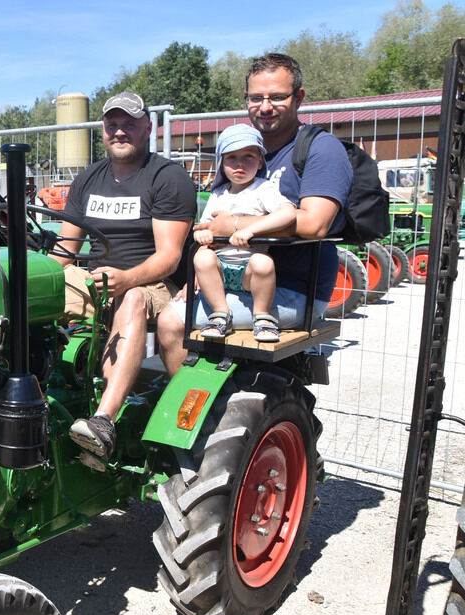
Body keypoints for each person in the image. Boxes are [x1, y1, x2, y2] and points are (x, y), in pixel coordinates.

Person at [157, 53, 353, 375]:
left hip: (292, 290)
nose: (265, 106)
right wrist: (201, 274)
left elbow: (315, 224)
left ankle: (193, 419)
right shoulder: (242, 151)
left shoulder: (320, 149)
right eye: (256, 97)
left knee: (170, 322)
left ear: (299, 97)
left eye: (277, 97)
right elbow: (211, 220)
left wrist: (233, 225)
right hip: (231, 278)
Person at [56, 91, 196, 470]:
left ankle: (104, 422)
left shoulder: (167, 177)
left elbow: (169, 257)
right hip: (97, 280)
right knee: (34, 293)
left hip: (153, 283)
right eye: (112, 123)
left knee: (132, 297)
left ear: (147, 127)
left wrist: (127, 278)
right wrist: (43, 278)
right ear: (102, 129)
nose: (120, 131)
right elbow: (65, 251)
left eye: (129, 123)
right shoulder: (89, 178)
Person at [192, 124, 296, 342]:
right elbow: (202, 227)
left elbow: (288, 213)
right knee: (201, 256)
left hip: (249, 270)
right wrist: (202, 237)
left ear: (260, 161)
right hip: (220, 267)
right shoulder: (218, 194)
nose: (239, 164)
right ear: (221, 163)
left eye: (248, 156)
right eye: (231, 157)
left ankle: (263, 316)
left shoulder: (263, 189)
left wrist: (248, 229)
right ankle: (221, 313)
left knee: (263, 262)